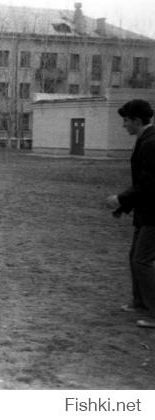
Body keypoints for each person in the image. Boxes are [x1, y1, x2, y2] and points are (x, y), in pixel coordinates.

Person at [106, 99, 155, 328]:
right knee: (134, 257)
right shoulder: (144, 140)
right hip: (145, 212)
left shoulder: (151, 143)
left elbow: (149, 185)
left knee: (142, 260)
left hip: (153, 214)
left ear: (137, 120)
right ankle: (140, 302)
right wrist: (123, 207)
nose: (123, 125)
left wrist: (122, 199)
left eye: (126, 120)